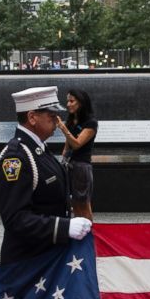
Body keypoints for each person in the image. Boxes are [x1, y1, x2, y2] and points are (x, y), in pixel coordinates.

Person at [0, 86, 92, 265]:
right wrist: (63, 227)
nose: (57, 121)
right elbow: (15, 220)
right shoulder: (15, 158)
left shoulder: (37, 148)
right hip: (28, 261)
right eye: (52, 116)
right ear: (32, 117)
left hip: (46, 255)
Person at [55, 89, 98, 220]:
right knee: (74, 204)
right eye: (67, 100)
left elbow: (77, 144)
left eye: (71, 101)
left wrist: (63, 128)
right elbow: (67, 146)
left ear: (81, 103)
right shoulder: (72, 121)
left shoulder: (91, 123)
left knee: (83, 205)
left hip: (81, 168)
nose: (68, 104)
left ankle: (89, 236)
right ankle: (79, 234)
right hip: (70, 166)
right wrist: (63, 157)